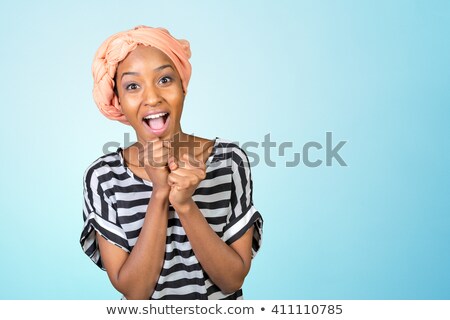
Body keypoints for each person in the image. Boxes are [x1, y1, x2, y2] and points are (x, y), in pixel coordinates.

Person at [80, 25, 263, 300]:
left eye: (165, 80)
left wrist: (186, 204)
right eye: (132, 86)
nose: (152, 98)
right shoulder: (103, 177)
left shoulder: (230, 162)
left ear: (183, 86)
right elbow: (135, 293)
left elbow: (232, 280)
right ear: (118, 100)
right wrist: (160, 193)